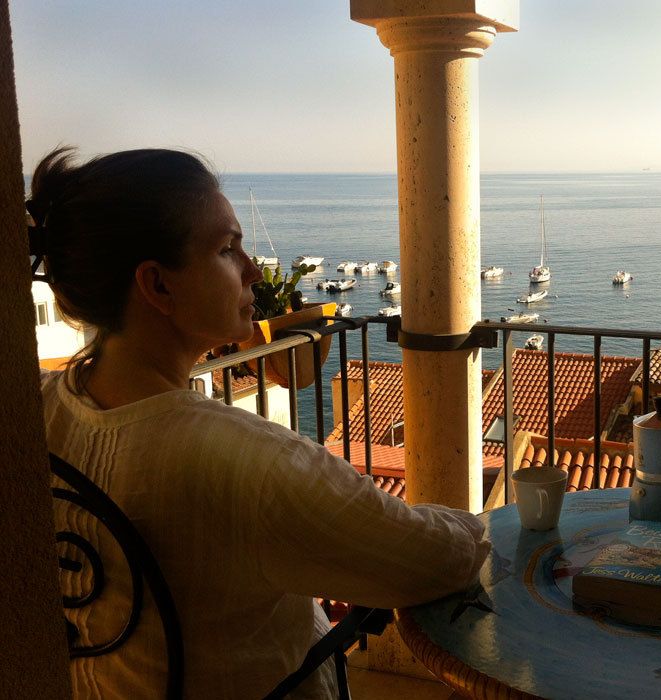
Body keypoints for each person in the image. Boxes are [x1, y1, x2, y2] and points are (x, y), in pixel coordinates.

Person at [31, 147, 491, 698]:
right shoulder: (248, 461)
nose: (252, 270)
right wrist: (477, 525)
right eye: (228, 250)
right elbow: (440, 561)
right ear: (157, 286)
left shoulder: (37, 414)